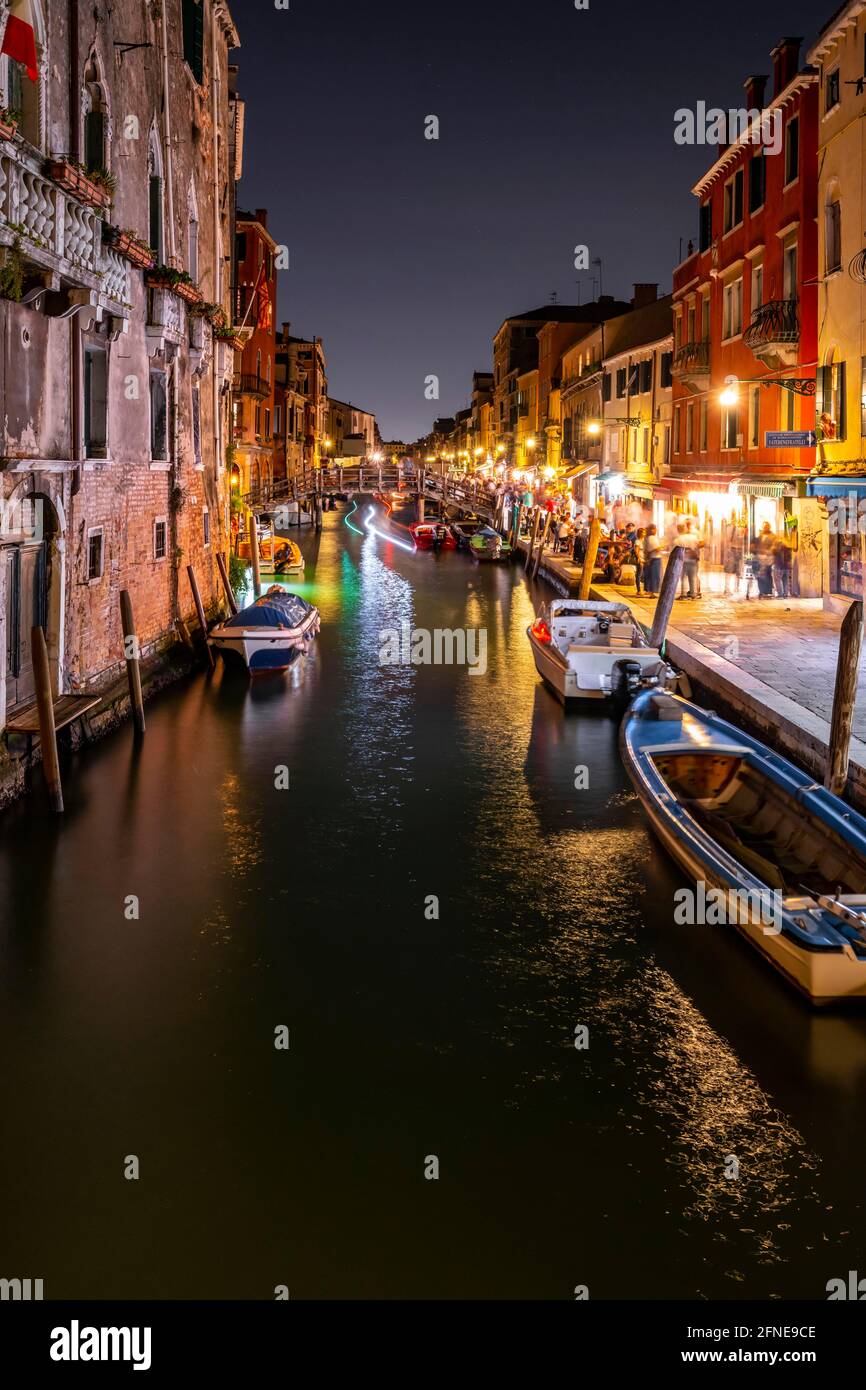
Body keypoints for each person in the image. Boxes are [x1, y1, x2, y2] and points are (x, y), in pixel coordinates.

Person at [676, 520, 704, 599]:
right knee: (693, 577)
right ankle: (693, 593)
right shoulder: (693, 537)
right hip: (693, 559)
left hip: (685, 559)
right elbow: (700, 544)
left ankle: (685, 594)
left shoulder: (682, 537)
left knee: (684, 577)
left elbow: (676, 549)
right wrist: (693, 549)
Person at [723, 515, 744, 597]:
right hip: (732, 550)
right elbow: (727, 540)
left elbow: (742, 540)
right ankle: (727, 588)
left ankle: (736, 587)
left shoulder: (740, 528)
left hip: (738, 550)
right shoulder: (730, 528)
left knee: (737, 571)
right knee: (729, 570)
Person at [756, 522, 776, 598]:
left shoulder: (773, 536)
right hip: (760, 557)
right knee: (760, 575)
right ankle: (761, 591)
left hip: (768, 558)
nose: (765, 528)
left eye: (767, 526)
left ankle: (767, 591)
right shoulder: (760, 536)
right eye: (764, 527)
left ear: (769, 527)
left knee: (767, 574)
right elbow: (757, 545)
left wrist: (769, 552)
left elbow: (774, 546)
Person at [773, 530, 793, 598]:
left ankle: (780, 594)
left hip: (779, 565)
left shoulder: (777, 545)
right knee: (785, 580)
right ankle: (785, 594)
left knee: (777, 580)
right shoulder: (787, 545)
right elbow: (790, 556)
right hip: (786, 566)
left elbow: (774, 552)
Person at [644, 524, 663, 596]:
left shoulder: (647, 538)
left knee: (650, 575)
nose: (656, 530)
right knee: (655, 575)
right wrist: (661, 547)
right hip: (655, 558)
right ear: (652, 530)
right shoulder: (652, 538)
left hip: (651, 558)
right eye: (655, 529)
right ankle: (654, 592)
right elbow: (657, 549)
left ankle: (649, 590)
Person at [634, 527, 647, 594]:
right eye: (643, 532)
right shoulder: (637, 541)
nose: (645, 533)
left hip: (645, 559)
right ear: (640, 533)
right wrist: (639, 558)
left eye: (645, 532)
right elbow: (636, 551)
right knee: (639, 574)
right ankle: (639, 590)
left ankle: (646, 589)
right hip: (640, 559)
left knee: (645, 575)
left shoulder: (644, 541)